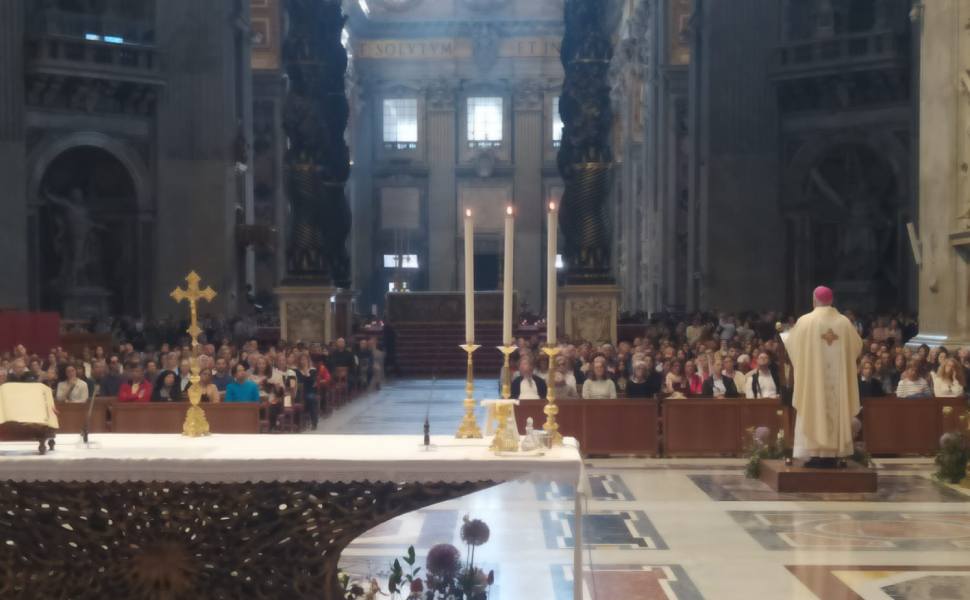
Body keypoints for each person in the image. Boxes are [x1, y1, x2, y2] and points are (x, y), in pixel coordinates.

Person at [784, 286, 863, 468]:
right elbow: (857, 346)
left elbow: (792, 345)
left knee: (813, 407)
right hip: (837, 384)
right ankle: (833, 454)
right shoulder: (843, 323)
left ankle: (814, 453)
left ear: (814, 300)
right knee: (836, 409)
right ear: (831, 300)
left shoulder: (806, 321)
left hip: (814, 382)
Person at [295, 353, 320, 429]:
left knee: (311, 399)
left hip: (309, 391)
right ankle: (297, 423)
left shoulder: (313, 370)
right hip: (298, 392)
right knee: (296, 399)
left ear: (308, 360)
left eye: (305, 359)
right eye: (301, 360)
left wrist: (307, 373)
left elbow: (312, 383)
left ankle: (314, 422)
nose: (303, 361)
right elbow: (298, 382)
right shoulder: (297, 371)